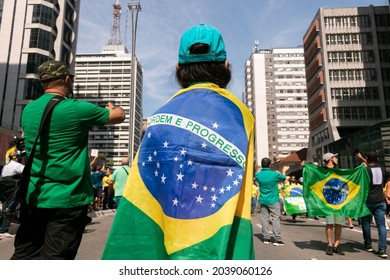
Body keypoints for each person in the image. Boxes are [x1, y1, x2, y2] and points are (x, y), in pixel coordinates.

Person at [102, 24, 255, 260]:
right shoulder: (242, 116)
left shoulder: (159, 118)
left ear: (178, 68)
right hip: (216, 242)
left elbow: (142, 192)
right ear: (225, 66)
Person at [11, 60, 125, 260]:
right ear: (66, 79)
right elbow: (119, 116)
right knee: (57, 259)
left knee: (25, 256)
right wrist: (112, 106)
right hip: (68, 199)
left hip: (35, 196)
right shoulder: (75, 109)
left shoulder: (28, 111)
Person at [357, 151, 387, 258]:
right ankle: (382, 249)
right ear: (377, 159)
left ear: (367, 159)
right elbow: (373, 164)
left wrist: (362, 162)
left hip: (368, 201)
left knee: (366, 223)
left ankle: (368, 244)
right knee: (381, 226)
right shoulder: (382, 169)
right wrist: (363, 159)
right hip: (380, 201)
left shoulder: (365, 171)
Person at [255, 158, 287, 246]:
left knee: (264, 219)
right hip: (273, 200)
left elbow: (256, 180)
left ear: (261, 165)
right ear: (269, 165)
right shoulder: (274, 174)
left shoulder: (258, 175)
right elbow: (283, 178)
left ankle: (266, 238)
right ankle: (277, 239)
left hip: (263, 200)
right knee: (275, 219)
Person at [322, 152, 345, 256]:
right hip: (328, 202)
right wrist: (305, 166)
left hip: (340, 202)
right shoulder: (322, 172)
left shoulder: (339, 171)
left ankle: (337, 245)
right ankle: (330, 245)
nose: (337, 159)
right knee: (329, 224)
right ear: (330, 159)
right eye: (335, 157)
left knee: (338, 224)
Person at [0, 142, 25, 238]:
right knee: (8, 210)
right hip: (13, 192)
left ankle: (2, 229)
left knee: (4, 208)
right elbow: (28, 171)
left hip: (4, 191)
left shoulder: (6, 166)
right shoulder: (16, 165)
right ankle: (4, 229)